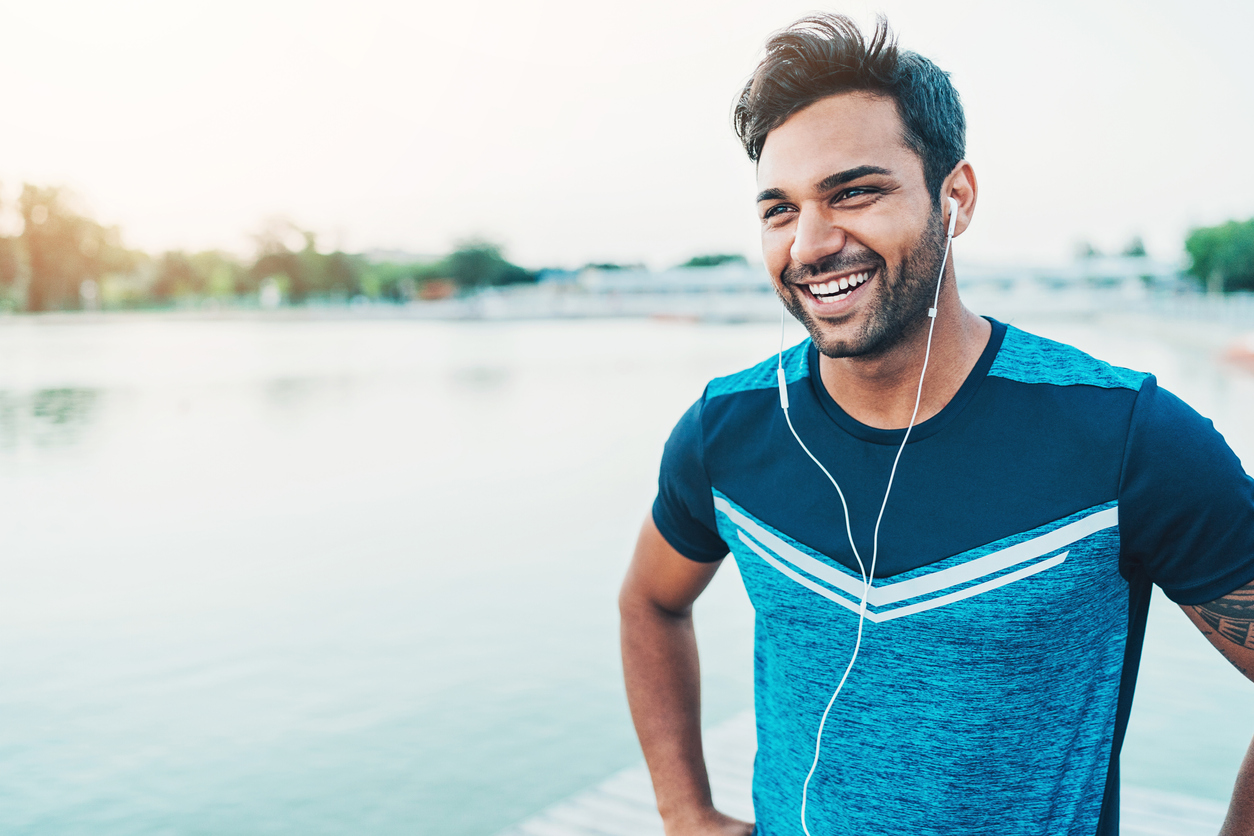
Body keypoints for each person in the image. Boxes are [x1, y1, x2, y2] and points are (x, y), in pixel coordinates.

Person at [618, 13, 1254, 836]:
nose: (810, 244)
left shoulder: (1124, 434)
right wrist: (683, 812)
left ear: (955, 197)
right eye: (780, 209)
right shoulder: (728, 429)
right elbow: (650, 604)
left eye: (854, 191)